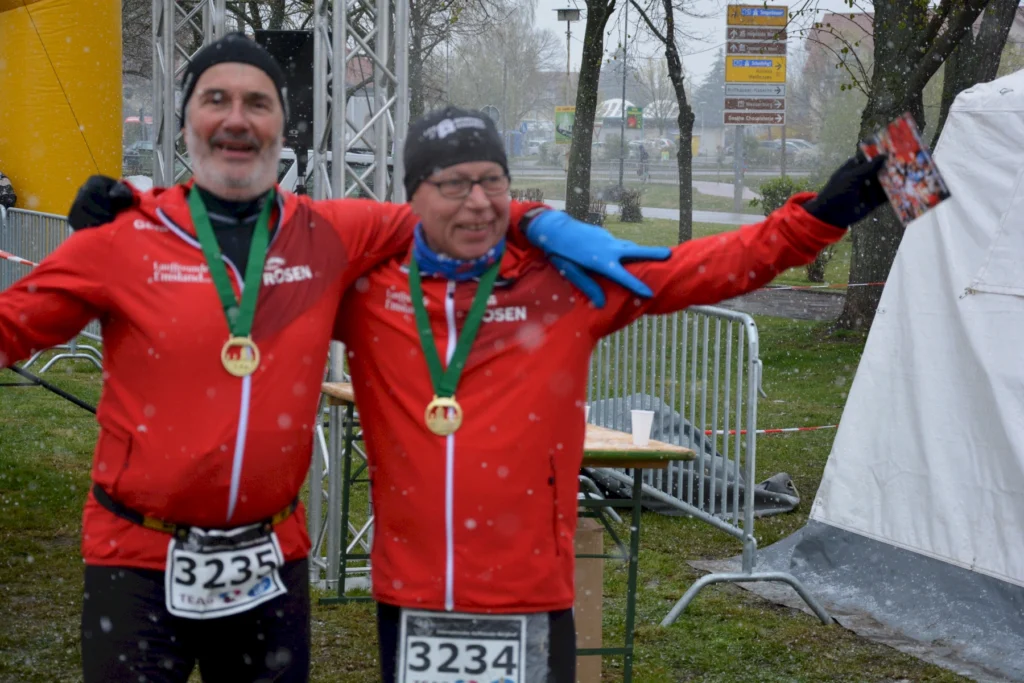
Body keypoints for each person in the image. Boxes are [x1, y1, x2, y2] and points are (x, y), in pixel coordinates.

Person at [0, 35, 663, 683]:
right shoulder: (123, 239)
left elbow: (455, 206)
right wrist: (128, 213)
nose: (237, 118)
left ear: (284, 126)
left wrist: (538, 220)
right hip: (136, 558)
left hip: (268, 563)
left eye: (258, 103)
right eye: (216, 99)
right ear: (184, 123)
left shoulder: (330, 232)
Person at [325, 110, 888, 683]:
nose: (477, 203)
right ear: (412, 196)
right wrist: (532, 216)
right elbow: (284, 232)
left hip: (529, 591)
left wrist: (818, 219)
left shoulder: (562, 283)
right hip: (412, 594)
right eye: (452, 184)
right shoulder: (368, 293)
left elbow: (700, 269)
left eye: (492, 181)